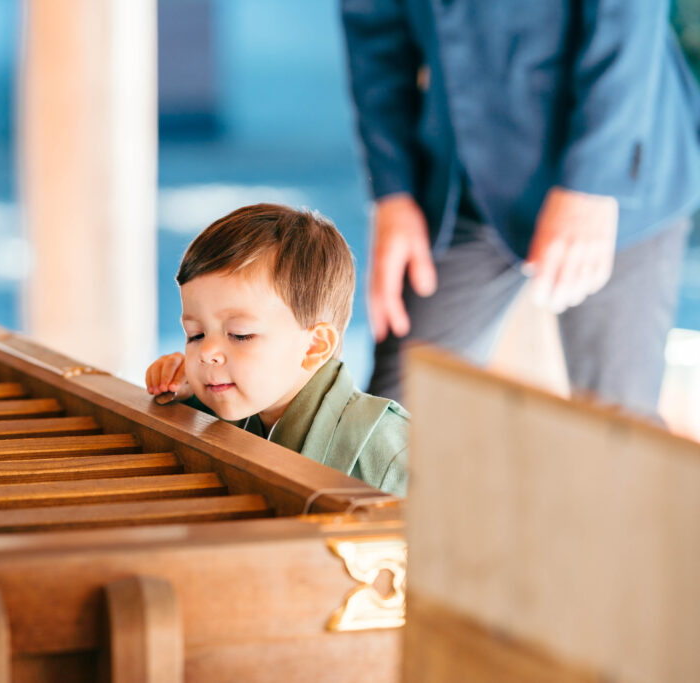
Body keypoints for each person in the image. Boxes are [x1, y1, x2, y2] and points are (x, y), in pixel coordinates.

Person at [341, 0, 700, 417]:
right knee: (393, 416)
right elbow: (373, 27)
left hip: (617, 156)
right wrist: (393, 194)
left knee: (619, 425)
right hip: (462, 177)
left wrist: (593, 181)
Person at [144, 203, 409, 496]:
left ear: (314, 346)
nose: (207, 352)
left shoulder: (393, 454)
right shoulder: (240, 406)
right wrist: (181, 400)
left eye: (239, 335)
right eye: (195, 335)